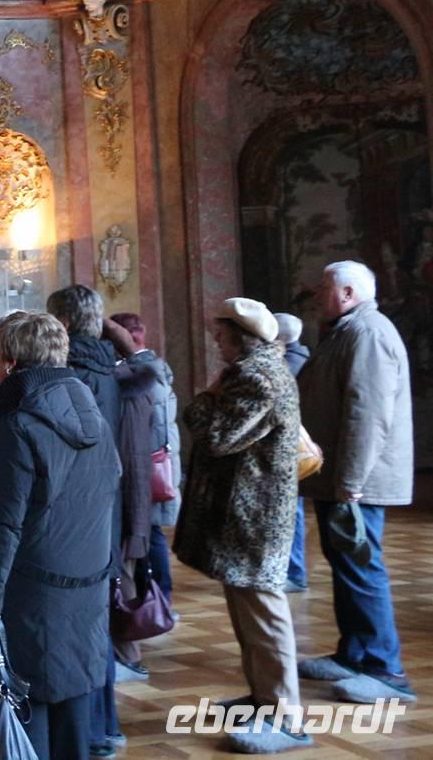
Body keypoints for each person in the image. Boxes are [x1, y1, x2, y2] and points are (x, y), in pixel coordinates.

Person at [0, 313, 119, 760]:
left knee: (26, 716)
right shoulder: (94, 417)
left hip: (30, 591)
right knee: (72, 713)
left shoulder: (17, 424)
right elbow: (107, 502)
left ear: (8, 362)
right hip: (85, 586)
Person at [174, 298, 311, 753]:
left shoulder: (257, 376)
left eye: (222, 332)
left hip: (256, 518)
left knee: (265, 616)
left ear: (242, 336)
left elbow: (215, 436)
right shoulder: (250, 372)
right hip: (246, 516)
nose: (215, 339)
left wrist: (205, 399)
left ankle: (286, 716)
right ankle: (263, 698)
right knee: (248, 614)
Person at [296, 261, 416, 704]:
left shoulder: (368, 333)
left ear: (347, 294)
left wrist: (350, 480)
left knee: (362, 568)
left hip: (356, 480)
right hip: (341, 477)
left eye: (324, 290)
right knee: (347, 564)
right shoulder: (349, 329)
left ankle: (387, 670)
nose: (316, 297)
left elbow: (368, 414)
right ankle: (355, 654)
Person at [48, 284, 146, 759]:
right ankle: (104, 725)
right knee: (95, 624)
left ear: (61, 325)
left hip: (77, 518)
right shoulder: (114, 367)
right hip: (109, 511)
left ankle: (93, 729)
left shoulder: (72, 376)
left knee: (79, 628)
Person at [107, 311, 180, 680]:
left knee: (135, 563)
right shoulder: (146, 377)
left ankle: (135, 642)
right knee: (137, 558)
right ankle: (146, 620)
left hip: (136, 487)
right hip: (136, 488)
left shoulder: (138, 384)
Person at [274, 313, 311, 593]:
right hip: (288, 447)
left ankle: (295, 572)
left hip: (290, 449)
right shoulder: (297, 359)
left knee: (292, 511)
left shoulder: (291, 365)